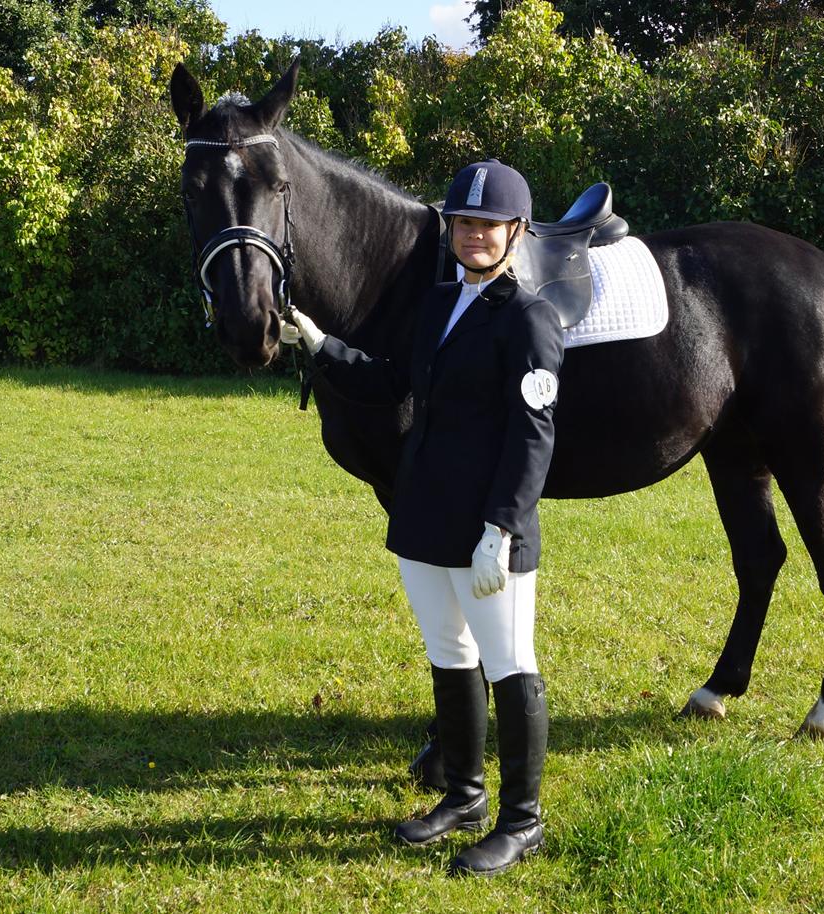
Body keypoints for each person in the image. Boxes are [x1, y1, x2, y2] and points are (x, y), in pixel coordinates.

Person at [285, 159, 563, 877]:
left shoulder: (531, 319)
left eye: (488, 225)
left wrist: (500, 530)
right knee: (450, 654)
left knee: (509, 664)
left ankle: (522, 822)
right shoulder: (438, 304)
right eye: (464, 223)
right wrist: (320, 346)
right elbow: (388, 382)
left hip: (486, 530)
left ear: (516, 233)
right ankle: (466, 794)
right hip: (423, 517)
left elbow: (534, 436)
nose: (474, 236)